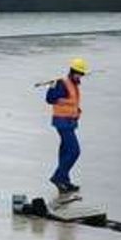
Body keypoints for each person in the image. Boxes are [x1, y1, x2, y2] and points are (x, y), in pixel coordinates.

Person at [45, 57, 89, 193]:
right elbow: (50, 99)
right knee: (74, 151)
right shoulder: (62, 84)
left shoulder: (72, 84)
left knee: (65, 152)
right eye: (79, 73)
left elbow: (71, 102)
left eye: (82, 74)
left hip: (70, 122)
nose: (81, 76)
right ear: (73, 71)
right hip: (62, 123)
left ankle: (65, 181)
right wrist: (52, 87)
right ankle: (58, 177)